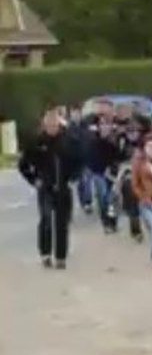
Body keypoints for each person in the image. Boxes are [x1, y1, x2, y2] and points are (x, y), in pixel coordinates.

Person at [18, 107, 81, 269]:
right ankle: (45, 253)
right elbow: (23, 165)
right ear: (44, 124)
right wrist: (34, 180)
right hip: (45, 187)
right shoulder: (37, 142)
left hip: (63, 186)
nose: (52, 126)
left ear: (59, 123)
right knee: (46, 220)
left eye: (55, 122)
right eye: (49, 123)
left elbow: (79, 161)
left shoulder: (68, 140)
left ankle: (61, 257)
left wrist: (73, 178)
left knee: (62, 223)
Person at [131, 134, 152, 277]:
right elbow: (135, 184)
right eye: (149, 146)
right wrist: (143, 197)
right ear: (144, 148)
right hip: (147, 203)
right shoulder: (139, 164)